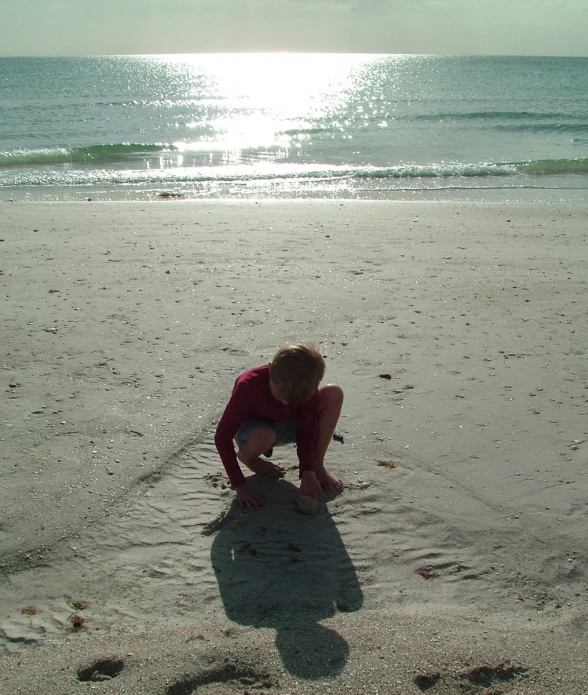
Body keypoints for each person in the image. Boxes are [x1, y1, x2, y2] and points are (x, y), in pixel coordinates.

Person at [214, 343, 344, 510]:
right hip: (254, 432)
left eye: (293, 400)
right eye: (278, 395)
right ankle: (249, 457)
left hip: (288, 425)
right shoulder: (248, 386)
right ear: (270, 370)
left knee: (333, 393)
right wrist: (240, 485)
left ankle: (318, 465)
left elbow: (306, 430)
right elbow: (222, 437)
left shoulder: (304, 387)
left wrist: (308, 472)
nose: (285, 403)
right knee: (264, 436)